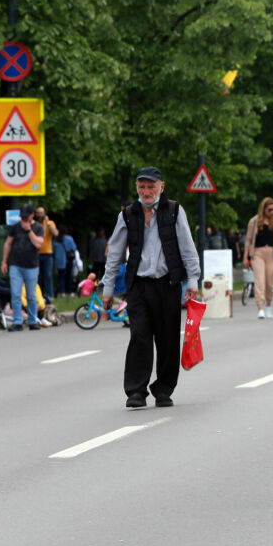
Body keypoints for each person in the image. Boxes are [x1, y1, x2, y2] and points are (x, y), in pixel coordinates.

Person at [102, 167, 200, 408]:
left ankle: (164, 389)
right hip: (138, 286)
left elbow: (187, 247)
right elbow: (114, 253)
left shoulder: (175, 211)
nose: (146, 191)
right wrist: (108, 288)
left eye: (151, 187)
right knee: (139, 336)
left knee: (167, 339)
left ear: (161, 187)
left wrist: (193, 280)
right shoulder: (127, 215)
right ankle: (136, 391)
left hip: (168, 284)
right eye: (142, 187)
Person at [0, 204, 44, 331]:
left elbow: (38, 244)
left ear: (32, 216)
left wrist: (29, 230)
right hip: (16, 265)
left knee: (31, 295)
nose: (24, 220)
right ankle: (18, 321)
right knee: (15, 293)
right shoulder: (15, 227)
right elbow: (8, 243)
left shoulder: (38, 228)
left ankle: (32, 320)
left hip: (31, 266)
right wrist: (4, 261)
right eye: (22, 217)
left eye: (26, 217)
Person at [244, 197, 273, 319]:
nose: (272, 211)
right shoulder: (254, 221)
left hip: (271, 253)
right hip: (257, 253)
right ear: (264, 209)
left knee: (269, 282)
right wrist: (245, 257)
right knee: (259, 280)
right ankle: (260, 307)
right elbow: (249, 239)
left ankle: (268, 305)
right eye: (269, 209)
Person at [35, 206, 58, 301]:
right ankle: (39, 295)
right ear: (36, 214)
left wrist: (48, 223)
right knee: (38, 276)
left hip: (48, 253)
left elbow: (55, 233)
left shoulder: (50, 223)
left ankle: (49, 295)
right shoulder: (34, 224)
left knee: (48, 275)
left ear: (44, 214)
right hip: (37, 254)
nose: (40, 215)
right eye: (38, 213)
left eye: (42, 213)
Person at [53, 225, 77, 297]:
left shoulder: (56, 239)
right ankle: (69, 291)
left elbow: (53, 250)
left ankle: (62, 292)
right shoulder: (69, 239)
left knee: (61, 277)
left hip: (59, 260)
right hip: (68, 259)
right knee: (69, 276)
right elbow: (74, 247)